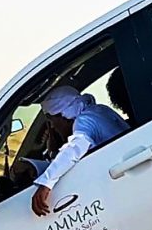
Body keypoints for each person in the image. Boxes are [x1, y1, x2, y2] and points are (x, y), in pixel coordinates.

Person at [30, 85, 130, 216]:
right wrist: (53, 151)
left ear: (62, 114)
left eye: (52, 121)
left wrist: (45, 183)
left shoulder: (84, 121)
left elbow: (74, 149)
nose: (53, 127)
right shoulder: (99, 110)